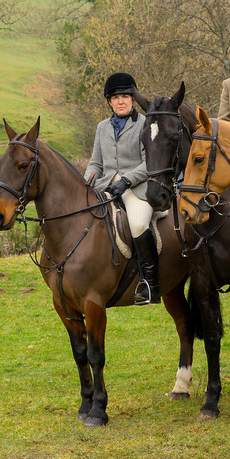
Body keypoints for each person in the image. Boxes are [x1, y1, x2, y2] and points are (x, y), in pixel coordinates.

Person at [84, 72, 160, 305]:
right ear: (109, 101)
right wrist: (85, 181)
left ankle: (150, 284)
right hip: (105, 186)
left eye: (126, 96)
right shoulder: (102, 127)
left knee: (137, 224)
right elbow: (96, 162)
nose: (121, 101)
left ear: (133, 99)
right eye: (116, 97)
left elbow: (151, 163)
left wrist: (126, 180)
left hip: (136, 187)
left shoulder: (146, 124)